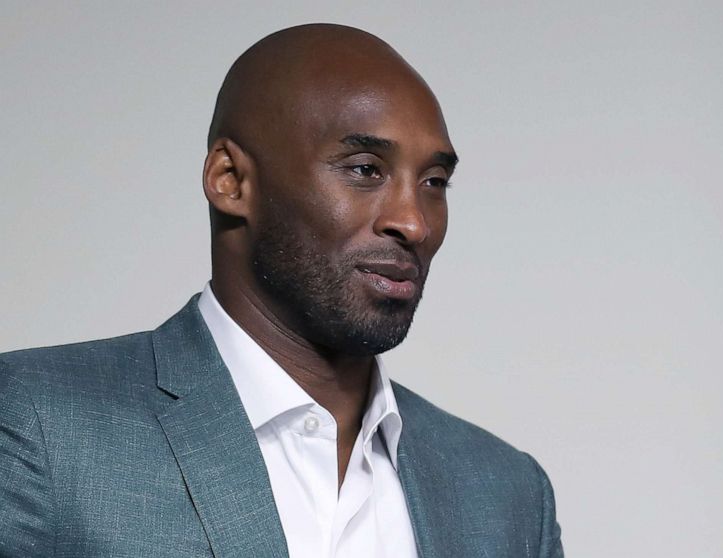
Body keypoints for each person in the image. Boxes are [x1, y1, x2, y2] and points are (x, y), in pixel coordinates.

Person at [0, 24, 563, 558]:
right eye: (365, 169)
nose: (413, 222)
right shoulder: (37, 424)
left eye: (434, 182)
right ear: (230, 180)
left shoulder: (507, 496)